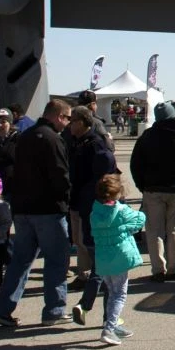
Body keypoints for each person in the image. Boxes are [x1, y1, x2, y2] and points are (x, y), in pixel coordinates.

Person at [0, 99, 73, 330]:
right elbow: (60, 175)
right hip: (48, 210)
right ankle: (54, 309)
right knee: (56, 260)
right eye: (67, 118)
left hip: (23, 209)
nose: (68, 123)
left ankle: (1, 309)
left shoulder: (25, 136)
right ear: (58, 116)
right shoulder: (52, 139)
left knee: (20, 261)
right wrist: (66, 201)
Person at [129, 101, 175, 282]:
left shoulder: (147, 137)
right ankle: (174, 268)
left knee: (154, 231)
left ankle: (158, 269)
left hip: (152, 190)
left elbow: (135, 164)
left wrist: (142, 185)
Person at [87, 173, 145, 346]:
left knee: (112, 292)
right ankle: (109, 328)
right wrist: (127, 228)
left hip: (103, 258)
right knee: (120, 294)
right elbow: (141, 218)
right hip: (119, 257)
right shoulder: (121, 211)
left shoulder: (95, 212)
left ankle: (112, 323)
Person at [68, 107, 117, 284]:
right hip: (76, 199)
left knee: (90, 241)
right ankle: (85, 274)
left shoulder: (95, 143)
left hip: (89, 201)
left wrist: (93, 195)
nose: (70, 124)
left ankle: (99, 277)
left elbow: (104, 171)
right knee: (79, 240)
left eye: (73, 121)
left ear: (82, 122)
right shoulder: (76, 142)